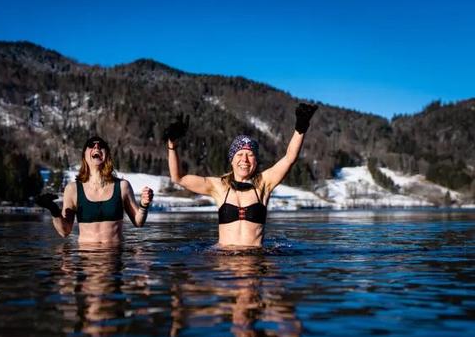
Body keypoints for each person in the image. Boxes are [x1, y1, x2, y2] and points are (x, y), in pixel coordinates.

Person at [166, 103, 318, 248]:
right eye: (239, 154)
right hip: (224, 263)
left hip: (256, 261)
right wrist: (172, 145)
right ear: (232, 160)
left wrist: (300, 129)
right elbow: (178, 177)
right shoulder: (219, 186)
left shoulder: (264, 184)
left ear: (256, 161)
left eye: (250, 155)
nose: (244, 159)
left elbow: (289, 158)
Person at [36, 136, 154, 244]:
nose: (96, 146)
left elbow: (138, 222)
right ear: (84, 156)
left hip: (115, 258)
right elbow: (65, 231)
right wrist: (54, 210)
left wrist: (144, 205)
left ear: (107, 154)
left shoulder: (123, 186)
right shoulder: (73, 189)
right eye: (91, 145)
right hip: (86, 258)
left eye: (101, 145)